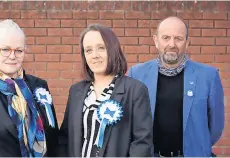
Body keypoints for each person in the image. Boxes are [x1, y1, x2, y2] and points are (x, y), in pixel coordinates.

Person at [0, 19, 59, 157]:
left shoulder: (39, 86)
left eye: (19, 50)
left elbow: (54, 140)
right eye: (5, 49)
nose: (12, 56)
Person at [128, 16, 224, 157]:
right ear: (156, 40)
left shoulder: (208, 76)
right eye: (166, 38)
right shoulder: (137, 74)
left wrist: (198, 146)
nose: (172, 44)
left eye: (178, 38)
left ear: (187, 42)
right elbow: (130, 121)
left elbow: (216, 126)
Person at [58, 24, 153, 157]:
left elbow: (142, 143)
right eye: (88, 50)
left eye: (101, 48)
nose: (94, 55)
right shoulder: (76, 91)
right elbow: (65, 138)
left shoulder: (135, 90)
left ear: (113, 50)